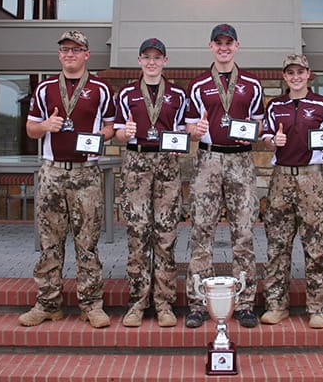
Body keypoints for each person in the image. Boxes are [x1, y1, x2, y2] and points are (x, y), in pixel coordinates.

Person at [19, 30, 116, 328]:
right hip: (52, 171)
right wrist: (46, 125)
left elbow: (111, 126)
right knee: (50, 240)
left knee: (87, 241)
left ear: (87, 54)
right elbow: (30, 129)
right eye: (65, 50)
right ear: (59, 54)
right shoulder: (45, 88)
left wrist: (102, 135)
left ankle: (91, 304)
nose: (70, 54)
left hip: (86, 172)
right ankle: (48, 303)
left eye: (76, 50)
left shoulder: (101, 88)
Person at [184, 23, 264, 329]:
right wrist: (196, 130)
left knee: (243, 233)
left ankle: (244, 302)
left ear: (237, 46)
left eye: (228, 42)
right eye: (218, 43)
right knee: (201, 232)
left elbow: (258, 123)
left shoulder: (252, 84)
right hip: (208, 158)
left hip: (240, 161)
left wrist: (252, 136)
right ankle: (198, 302)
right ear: (211, 47)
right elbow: (189, 126)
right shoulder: (198, 84)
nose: (224, 47)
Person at [114, 38, 187, 328]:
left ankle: (164, 303)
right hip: (137, 162)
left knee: (166, 236)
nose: (152, 62)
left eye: (158, 57)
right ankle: (137, 302)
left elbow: (184, 130)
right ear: (140, 60)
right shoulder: (127, 93)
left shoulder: (178, 94)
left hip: (167, 165)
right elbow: (119, 133)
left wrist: (179, 142)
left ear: (165, 61)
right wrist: (125, 132)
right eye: (147, 57)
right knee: (137, 234)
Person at [260, 54, 323, 329]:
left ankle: (316, 307)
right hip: (282, 177)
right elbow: (266, 136)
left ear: (308, 74)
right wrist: (272, 140)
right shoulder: (275, 105)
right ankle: (276, 305)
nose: (295, 77)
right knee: (277, 245)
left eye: (300, 72)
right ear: (284, 76)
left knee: (315, 245)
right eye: (290, 72)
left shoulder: (322, 105)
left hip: (311, 178)